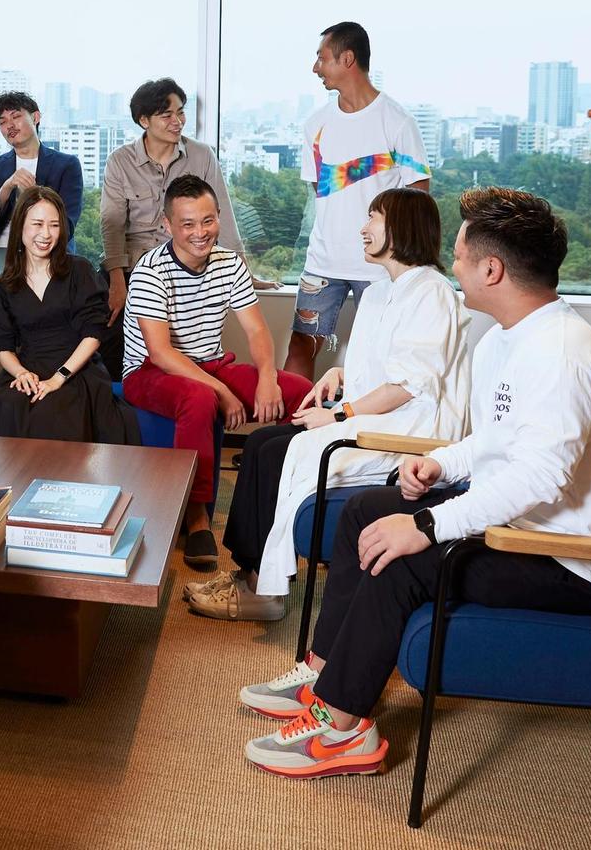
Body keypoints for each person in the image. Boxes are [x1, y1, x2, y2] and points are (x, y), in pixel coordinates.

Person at [240, 188, 591, 781]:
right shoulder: (506, 337)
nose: (451, 267)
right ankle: (323, 673)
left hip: (571, 560)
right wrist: (443, 465)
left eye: (458, 256)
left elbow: (542, 476)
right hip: (518, 525)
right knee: (365, 513)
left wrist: (427, 525)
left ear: (491, 270)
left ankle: (344, 728)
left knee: (398, 556)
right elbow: (497, 441)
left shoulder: (562, 351)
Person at [186, 188, 468, 622]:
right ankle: (250, 576)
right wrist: (339, 375)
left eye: (373, 218)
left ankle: (262, 591)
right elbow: (381, 369)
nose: (363, 228)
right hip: (370, 416)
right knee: (260, 443)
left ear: (401, 227)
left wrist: (339, 414)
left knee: (275, 452)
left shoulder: (431, 293)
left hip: (402, 431)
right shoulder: (380, 291)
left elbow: (408, 386)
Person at [121, 175, 313, 571]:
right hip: (149, 371)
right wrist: (223, 393)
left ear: (219, 217)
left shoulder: (229, 262)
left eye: (208, 221)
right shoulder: (149, 271)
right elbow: (160, 353)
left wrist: (268, 378)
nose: (200, 232)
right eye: (188, 223)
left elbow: (256, 330)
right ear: (167, 225)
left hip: (210, 363)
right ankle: (196, 519)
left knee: (301, 392)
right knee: (200, 397)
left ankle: (299, 499)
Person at [284, 22, 431, 382]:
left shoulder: (398, 122)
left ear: (347, 58)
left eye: (322, 59)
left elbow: (418, 198)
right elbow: (319, 193)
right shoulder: (316, 125)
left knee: (380, 354)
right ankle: (294, 418)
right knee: (301, 346)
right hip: (322, 262)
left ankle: (363, 419)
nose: (315, 68)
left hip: (380, 266)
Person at [99, 78, 240, 376]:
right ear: (144, 121)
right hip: (133, 269)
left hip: (186, 268)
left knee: (186, 351)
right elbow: (111, 224)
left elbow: (222, 215)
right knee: (114, 346)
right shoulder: (120, 161)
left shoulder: (202, 156)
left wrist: (242, 269)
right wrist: (117, 280)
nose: (178, 122)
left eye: (181, 112)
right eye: (167, 115)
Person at [0, 186, 138, 445]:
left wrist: (58, 378)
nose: (46, 234)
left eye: (54, 225)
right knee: (9, 403)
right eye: (37, 224)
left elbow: (93, 334)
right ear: (20, 226)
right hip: (29, 367)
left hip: (76, 368)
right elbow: (4, 346)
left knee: (53, 409)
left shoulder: (80, 270)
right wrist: (21, 374)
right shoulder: (4, 285)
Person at [0, 90, 82, 372]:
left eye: (16, 116)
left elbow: (67, 224)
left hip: (47, 252)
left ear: (36, 117)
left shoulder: (66, 164)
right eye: (2, 122)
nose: (9, 125)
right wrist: (6, 187)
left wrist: (35, 195)